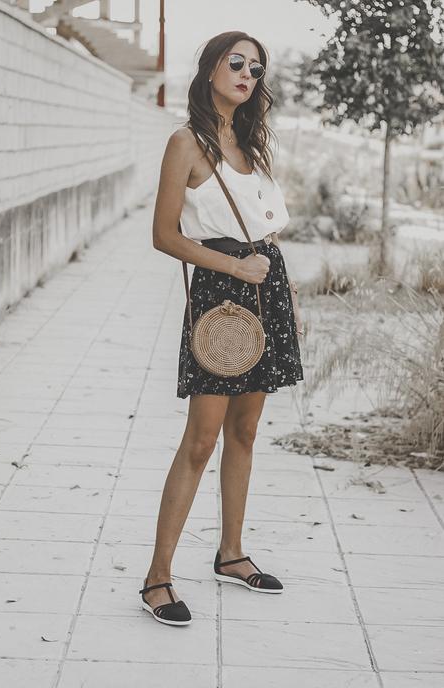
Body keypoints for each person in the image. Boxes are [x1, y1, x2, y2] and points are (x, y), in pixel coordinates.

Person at [139, 30, 304, 626]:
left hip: (265, 290)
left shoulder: (251, 146)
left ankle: (231, 553)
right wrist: (235, 265)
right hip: (221, 293)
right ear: (209, 68)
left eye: (256, 68)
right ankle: (158, 576)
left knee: (246, 430)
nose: (246, 74)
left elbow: (266, 229)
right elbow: (165, 236)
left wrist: (280, 293)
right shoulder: (187, 143)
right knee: (202, 438)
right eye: (235, 63)